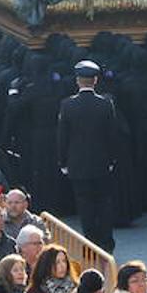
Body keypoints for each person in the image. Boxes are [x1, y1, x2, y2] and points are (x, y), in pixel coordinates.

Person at [57, 61, 119, 252]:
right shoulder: (105, 104)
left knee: (85, 205)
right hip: (101, 162)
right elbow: (112, 136)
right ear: (95, 80)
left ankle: (91, 242)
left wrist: (63, 161)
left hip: (77, 163)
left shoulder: (67, 105)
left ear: (78, 81)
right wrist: (112, 159)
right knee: (104, 203)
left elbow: (62, 136)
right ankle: (107, 241)